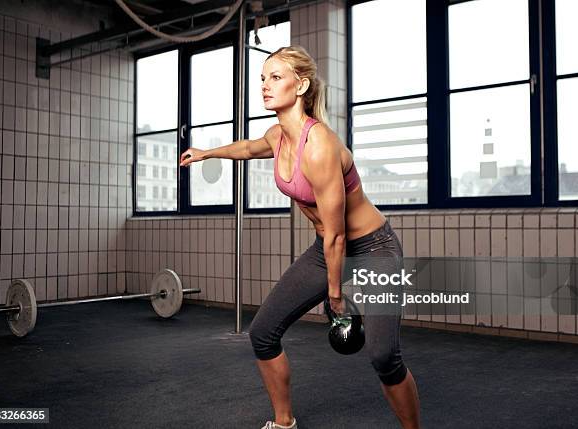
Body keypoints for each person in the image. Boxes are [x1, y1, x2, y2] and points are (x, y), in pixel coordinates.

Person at [180, 46, 421, 429]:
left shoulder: (319, 146)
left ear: (301, 85)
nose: (264, 85)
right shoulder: (279, 137)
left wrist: (335, 295)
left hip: (372, 247)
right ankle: (284, 422)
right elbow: (248, 147)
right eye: (262, 78)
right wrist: (207, 153)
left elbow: (339, 234)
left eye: (275, 77)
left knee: (382, 355)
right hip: (327, 248)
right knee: (262, 333)